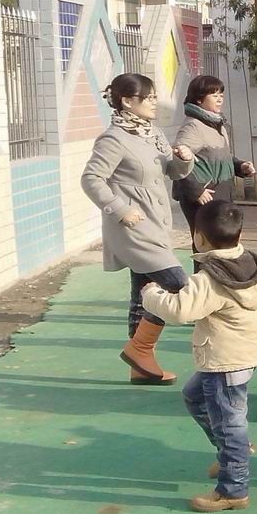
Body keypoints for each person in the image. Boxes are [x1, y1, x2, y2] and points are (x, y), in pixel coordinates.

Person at [141, 201, 257, 512]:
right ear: (240, 234)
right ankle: (233, 453)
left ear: (199, 237)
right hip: (245, 354)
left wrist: (151, 295)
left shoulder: (209, 280)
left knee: (229, 425)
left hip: (223, 362)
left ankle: (233, 490)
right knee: (194, 396)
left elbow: (179, 310)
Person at [80, 74, 195, 384]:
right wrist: (119, 209)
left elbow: (171, 170)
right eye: (149, 97)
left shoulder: (151, 132)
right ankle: (139, 349)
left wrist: (184, 160)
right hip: (131, 226)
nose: (155, 102)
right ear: (128, 101)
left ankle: (141, 365)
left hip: (156, 222)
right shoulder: (113, 139)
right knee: (176, 283)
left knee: (144, 289)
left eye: (154, 96)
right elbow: (91, 179)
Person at [172, 75, 255, 242]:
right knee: (207, 243)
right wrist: (196, 191)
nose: (219, 99)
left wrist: (240, 167)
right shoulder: (193, 126)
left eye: (221, 95)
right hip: (205, 196)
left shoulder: (216, 124)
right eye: (214, 95)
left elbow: (221, 156)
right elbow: (176, 162)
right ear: (199, 99)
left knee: (223, 242)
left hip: (222, 192)